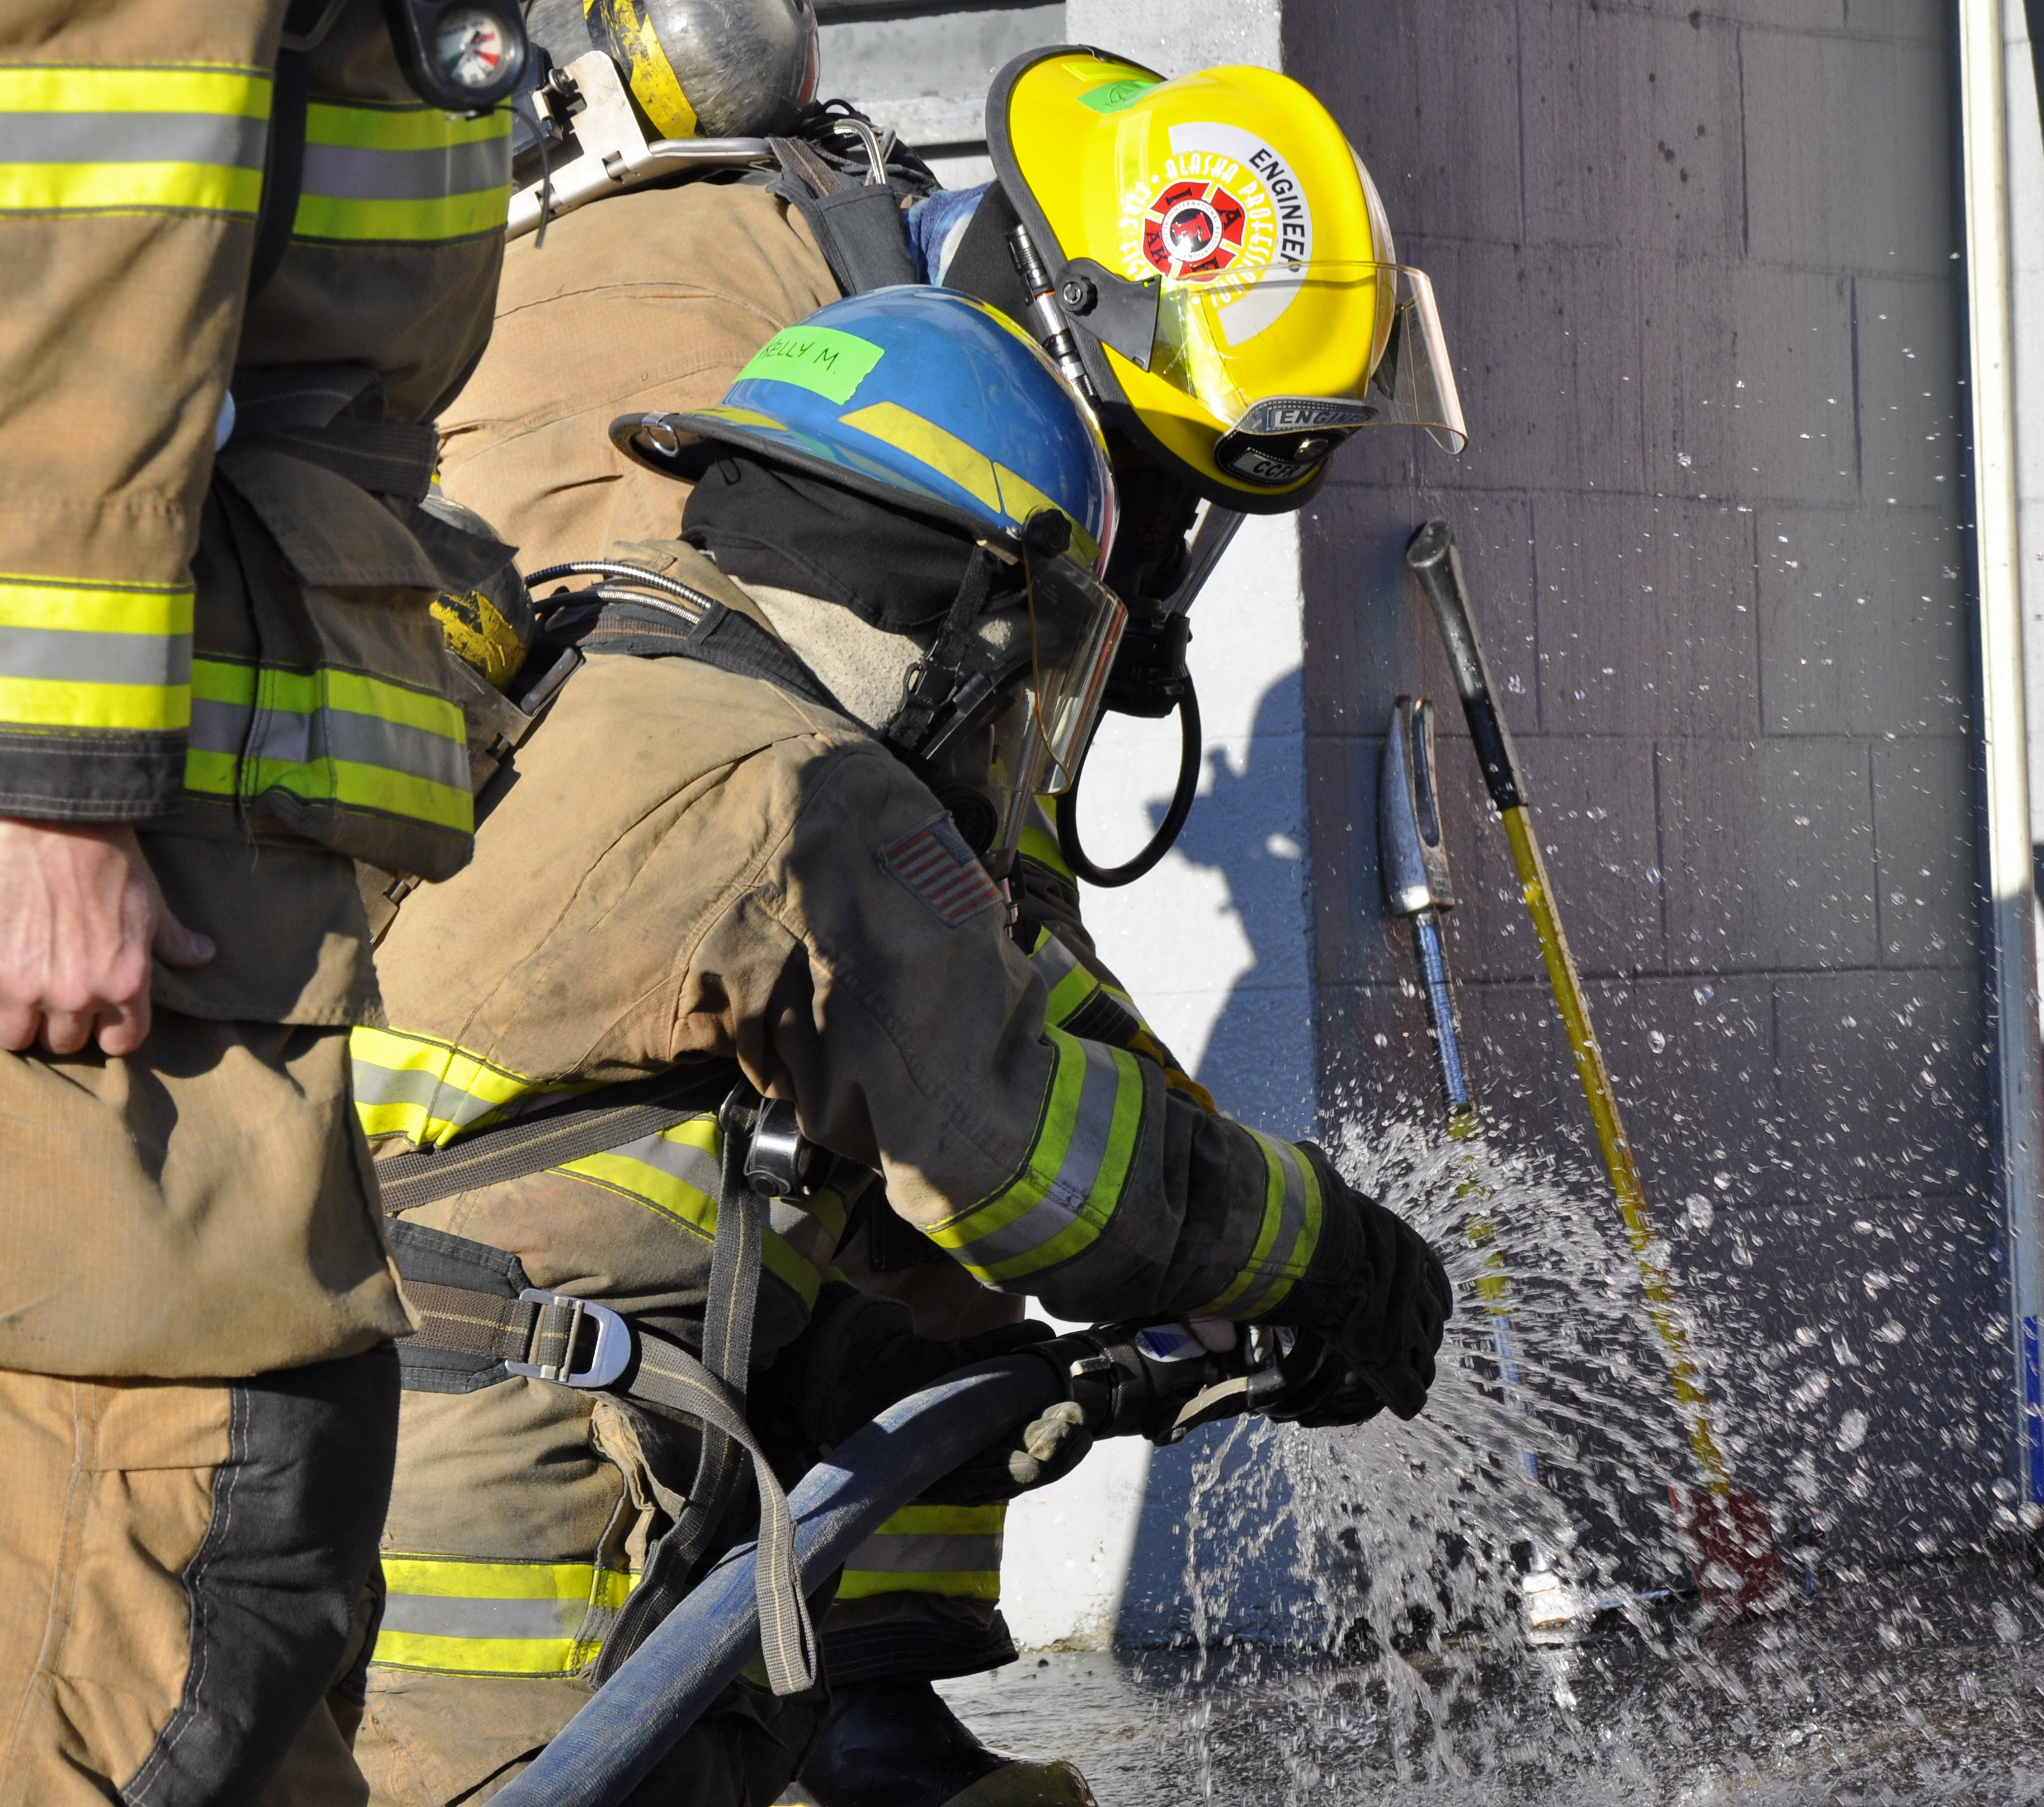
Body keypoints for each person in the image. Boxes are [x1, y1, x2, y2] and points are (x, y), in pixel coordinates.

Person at [425, 18, 1468, 1802]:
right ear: (1067, 326)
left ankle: (870, 1689)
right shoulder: (706, 412)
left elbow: (973, 949)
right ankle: (823, 1712)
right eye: (1147, 472)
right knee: (899, 1134)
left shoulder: (879, 382)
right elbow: (945, 1013)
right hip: (454, 1364)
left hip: (493, 1177)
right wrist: (1271, 1241)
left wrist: (1190, 1231)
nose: (1149, 548)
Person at [0, 1, 522, 1798]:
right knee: (130, 1546)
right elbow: (67, 180)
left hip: (164, 716)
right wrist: (51, 797)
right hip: (117, 805)